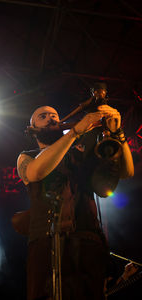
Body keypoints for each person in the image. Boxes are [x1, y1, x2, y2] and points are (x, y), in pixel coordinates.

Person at [17, 89, 134, 300]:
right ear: (32, 130)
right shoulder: (27, 157)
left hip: (88, 240)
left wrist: (117, 132)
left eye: (54, 115)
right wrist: (75, 132)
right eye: (42, 116)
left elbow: (127, 172)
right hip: (46, 242)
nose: (51, 117)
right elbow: (36, 172)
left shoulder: (79, 153)